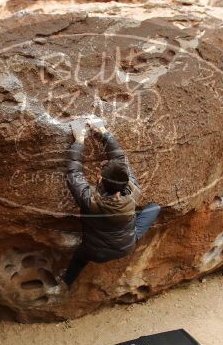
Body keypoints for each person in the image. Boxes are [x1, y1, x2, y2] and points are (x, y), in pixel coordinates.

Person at [55, 119, 160, 289]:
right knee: (155, 208)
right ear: (126, 182)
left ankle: (66, 283)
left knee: (79, 258)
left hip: (94, 252)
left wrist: (79, 141)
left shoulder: (89, 200)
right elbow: (120, 159)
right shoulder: (134, 192)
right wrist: (104, 134)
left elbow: (74, 172)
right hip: (125, 247)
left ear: (99, 178)